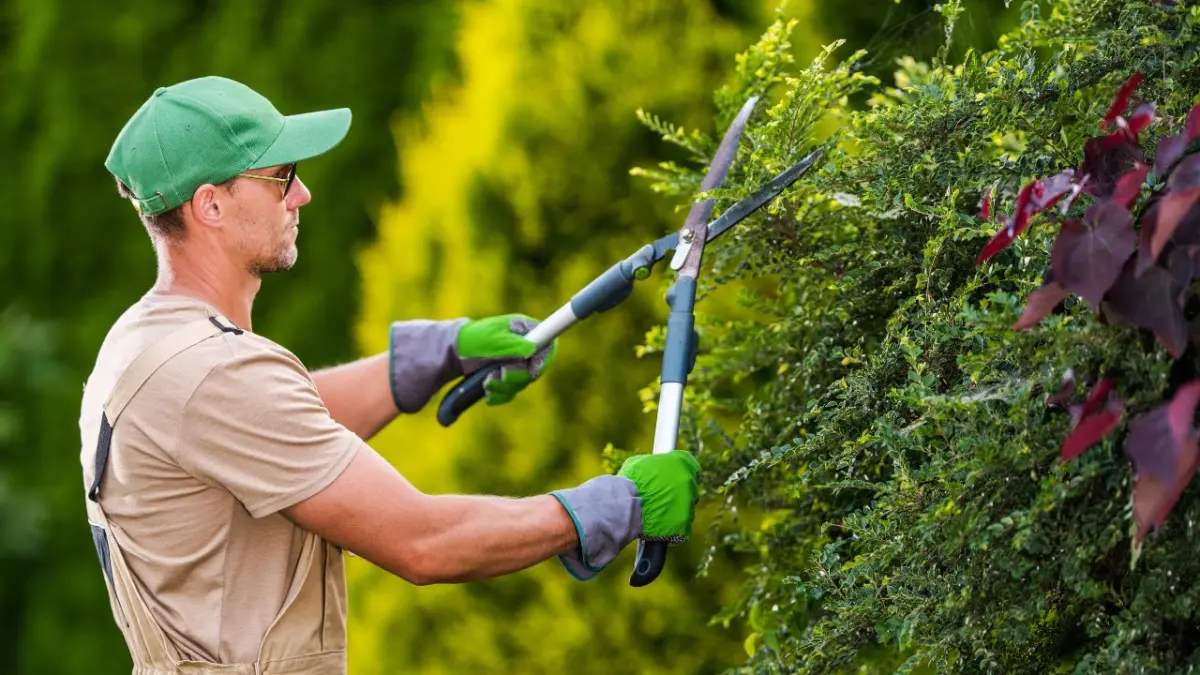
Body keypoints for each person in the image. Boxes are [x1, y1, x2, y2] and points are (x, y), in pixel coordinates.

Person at [79, 76, 700, 674]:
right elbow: (423, 542)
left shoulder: (148, 344)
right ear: (210, 204)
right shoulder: (213, 373)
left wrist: (436, 355)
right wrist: (616, 506)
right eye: (280, 178)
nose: (302, 196)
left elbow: (277, 427)